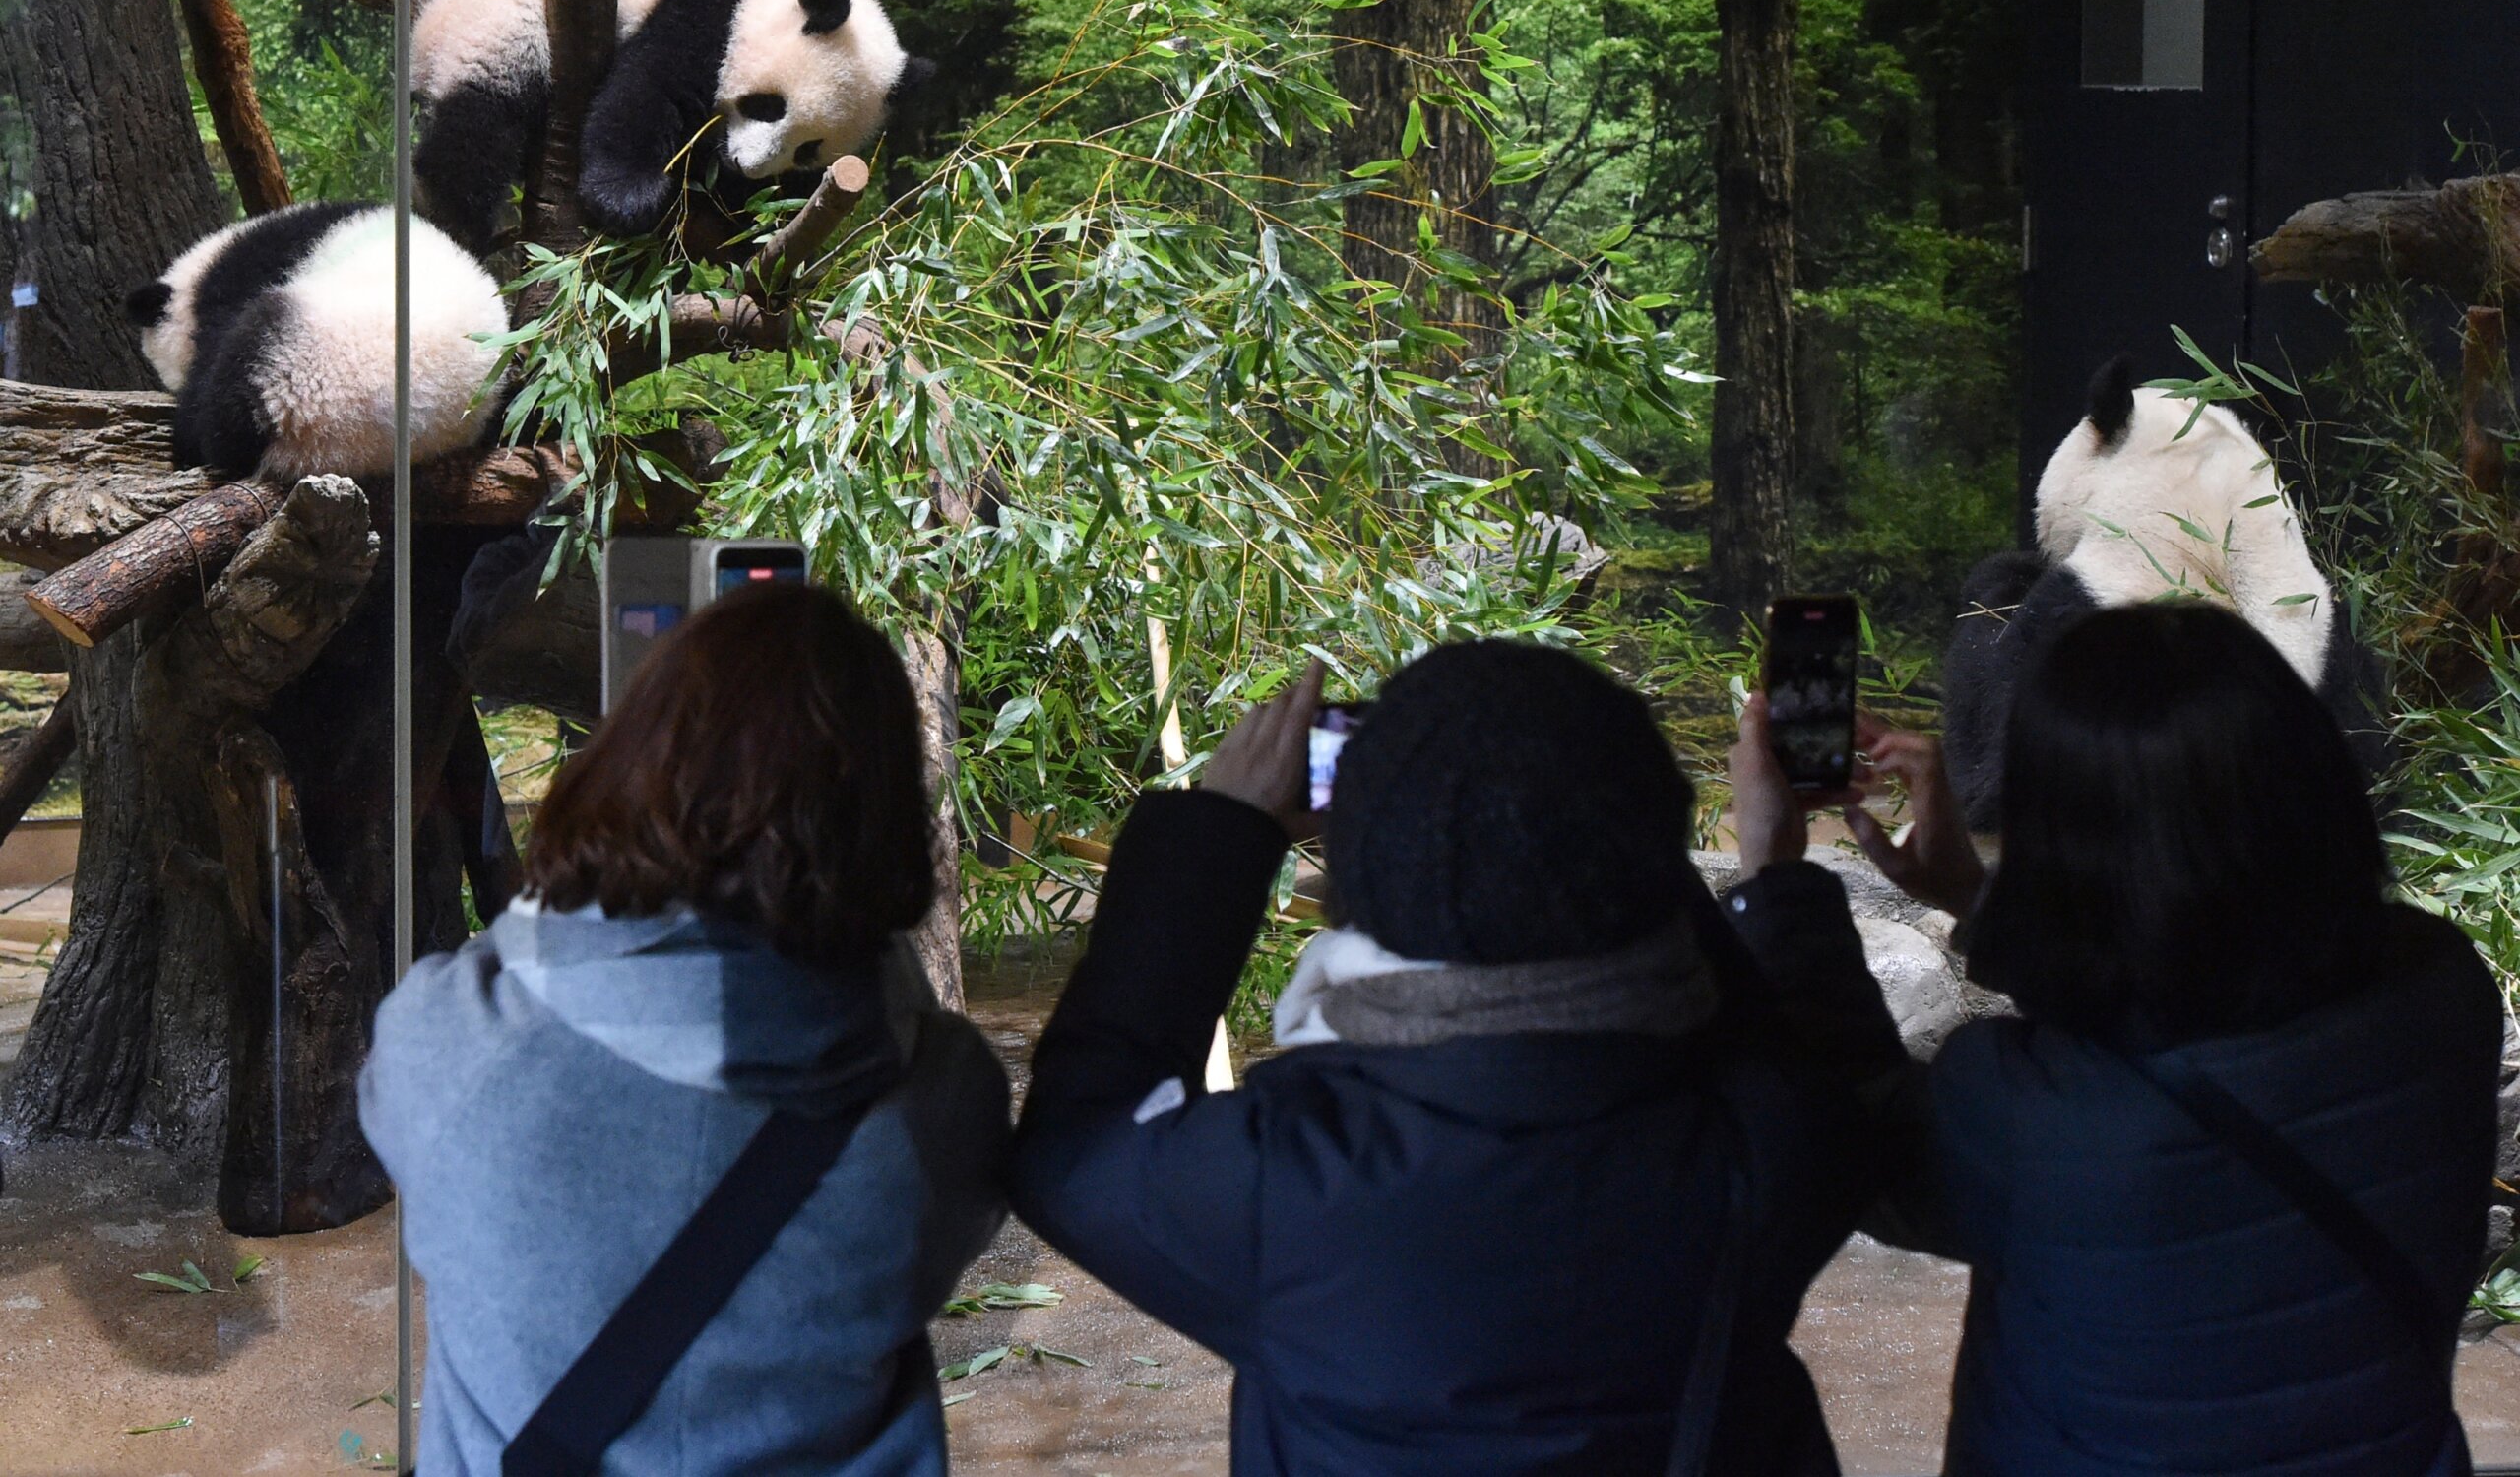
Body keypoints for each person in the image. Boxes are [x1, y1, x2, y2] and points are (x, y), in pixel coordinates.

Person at [1010, 639, 1910, 1475]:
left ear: (1356, 880)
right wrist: (1766, 863)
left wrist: (1217, 834)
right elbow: (1828, 1059)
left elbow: (1071, 1142)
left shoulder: (1276, 1187)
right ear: (1651, 849)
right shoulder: (1776, 1145)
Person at [1732, 601, 2497, 1477]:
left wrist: (1778, 875)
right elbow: (2192, 988)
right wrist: (1975, 900)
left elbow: (1851, 1140)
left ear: (2064, 845)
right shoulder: (2444, 996)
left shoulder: (2027, 1116)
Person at [360, 584, 1008, 1476]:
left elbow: (508, 957)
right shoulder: (941, 1102)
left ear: (626, 762)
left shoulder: (452, 1045)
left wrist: (586, 869)